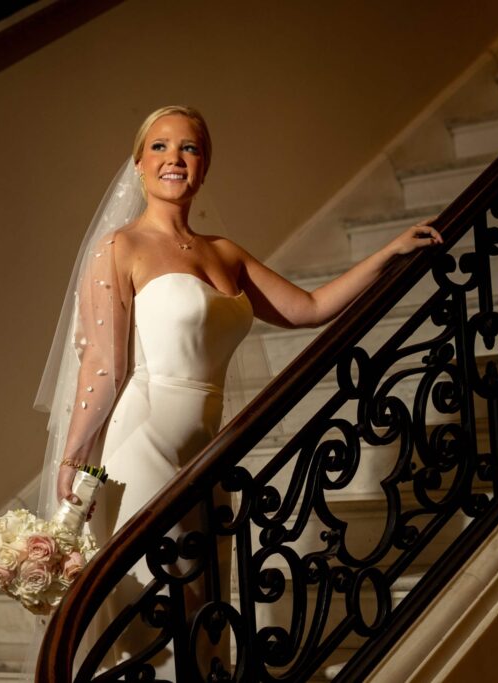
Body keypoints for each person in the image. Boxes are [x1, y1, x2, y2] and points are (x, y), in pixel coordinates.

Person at [35, 105, 442, 676]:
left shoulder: (224, 252)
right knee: (159, 606)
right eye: (160, 147)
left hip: (206, 451)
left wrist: (387, 253)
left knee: (204, 605)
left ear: (204, 167)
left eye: (190, 148)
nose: (174, 158)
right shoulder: (118, 249)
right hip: (140, 442)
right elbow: (103, 364)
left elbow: (309, 308)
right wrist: (74, 458)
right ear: (137, 162)